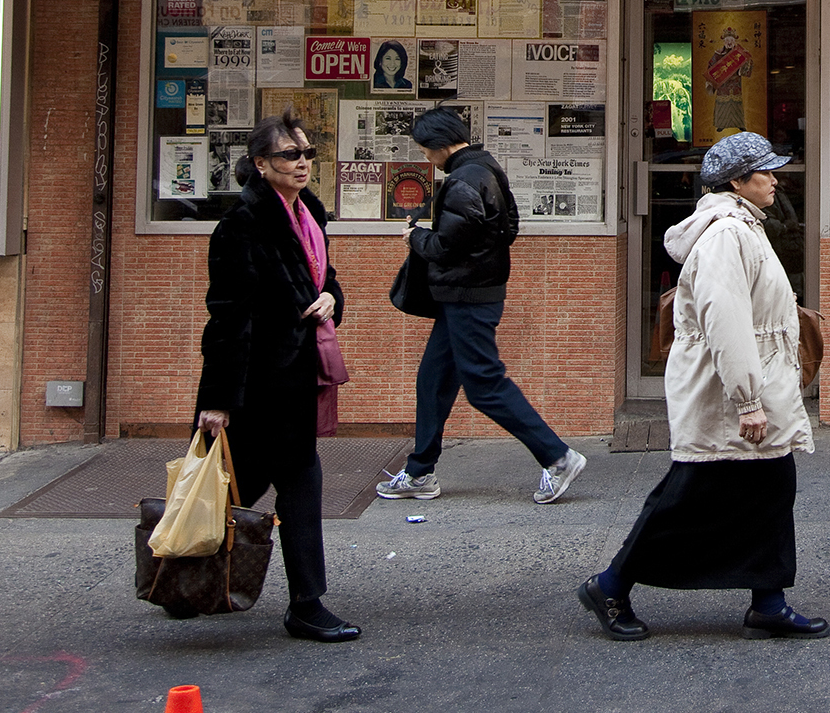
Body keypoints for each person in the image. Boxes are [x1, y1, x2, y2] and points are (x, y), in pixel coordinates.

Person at [579, 131, 822, 642]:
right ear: (737, 182)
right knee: (688, 497)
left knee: (772, 489)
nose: (776, 179)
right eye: (766, 171)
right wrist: (748, 402)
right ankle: (611, 583)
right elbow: (726, 321)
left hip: (749, 385)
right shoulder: (725, 236)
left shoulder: (745, 226)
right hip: (729, 394)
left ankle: (769, 600)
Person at [194, 109, 359, 643]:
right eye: (291, 155)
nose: (304, 163)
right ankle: (182, 573)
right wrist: (218, 401)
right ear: (261, 164)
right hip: (256, 386)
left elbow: (324, 279)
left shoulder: (309, 213)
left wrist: (333, 298)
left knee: (291, 486)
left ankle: (306, 604)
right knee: (219, 496)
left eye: (309, 153)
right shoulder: (241, 225)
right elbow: (227, 315)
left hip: (296, 379)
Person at [376, 108, 587, 505]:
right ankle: (420, 471)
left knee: (485, 385)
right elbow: (508, 229)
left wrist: (415, 238)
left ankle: (557, 457)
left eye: (426, 151)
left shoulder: (463, 180)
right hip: (469, 295)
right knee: (433, 380)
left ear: (440, 145)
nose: (427, 159)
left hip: (468, 297)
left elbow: (445, 246)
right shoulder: (487, 168)